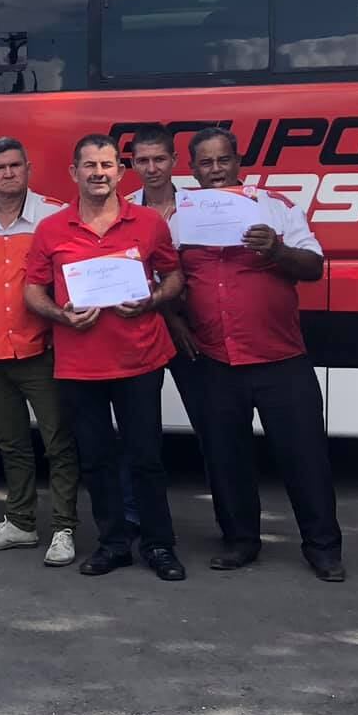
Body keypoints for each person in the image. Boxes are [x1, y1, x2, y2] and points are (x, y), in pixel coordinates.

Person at [178, 128, 345, 581]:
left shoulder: (276, 206)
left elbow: (313, 267)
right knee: (225, 458)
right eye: (205, 163)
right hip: (216, 360)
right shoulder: (181, 216)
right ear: (192, 170)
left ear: (239, 163)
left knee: (304, 456)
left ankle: (323, 548)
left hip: (280, 359)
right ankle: (239, 542)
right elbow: (167, 279)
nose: (215, 170)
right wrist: (177, 325)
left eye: (223, 160)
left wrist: (276, 249)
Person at [23, 136, 186, 582]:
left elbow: (173, 277)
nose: (99, 172)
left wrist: (153, 300)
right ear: (73, 173)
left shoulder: (150, 222)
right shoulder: (51, 229)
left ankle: (158, 544)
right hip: (78, 364)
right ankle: (113, 543)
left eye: (108, 164)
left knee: (146, 457)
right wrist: (60, 314)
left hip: (140, 360)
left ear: (120, 172)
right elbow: (32, 291)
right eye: (90, 165)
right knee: (95, 460)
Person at [0, 138, 81, 566]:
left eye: (15, 165)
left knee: (59, 442)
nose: (8, 173)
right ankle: (21, 523)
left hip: (42, 348)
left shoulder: (53, 216)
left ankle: (63, 528)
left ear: (29, 169)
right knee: (11, 443)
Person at [128, 125, 214, 468]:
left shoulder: (200, 206)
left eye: (160, 159)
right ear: (132, 164)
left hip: (196, 331)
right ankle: (138, 516)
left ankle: (229, 513)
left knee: (211, 425)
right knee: (139, 431)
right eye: (143, 160)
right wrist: (169, 319)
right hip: (143, 329)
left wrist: (181, 321)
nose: (152, 169)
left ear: (175, 161)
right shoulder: (121, 210)